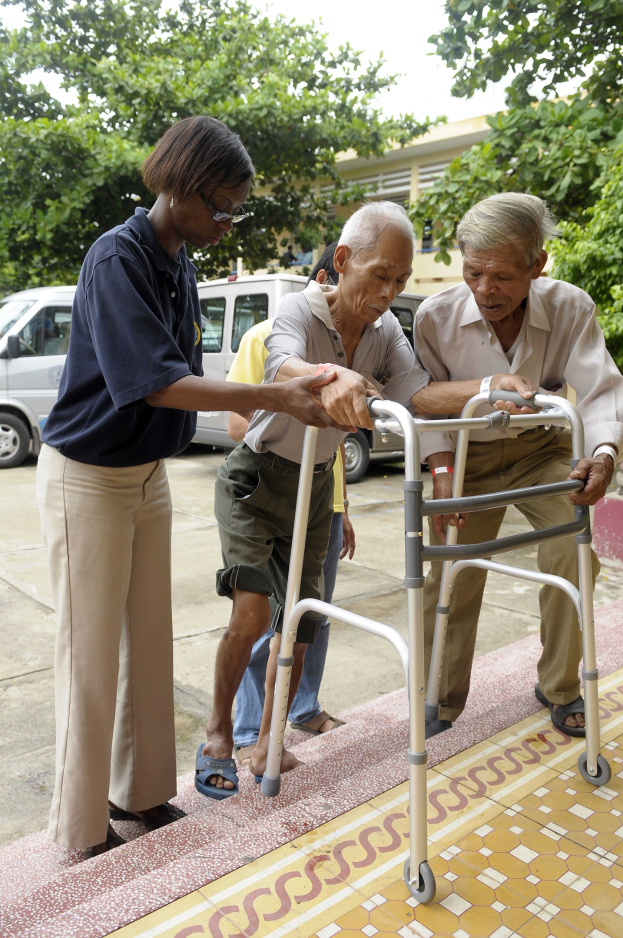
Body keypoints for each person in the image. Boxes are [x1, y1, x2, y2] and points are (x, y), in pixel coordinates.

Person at [36, 115, 338, 859]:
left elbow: (183, 379)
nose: (228, 223)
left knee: (148, 644)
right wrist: (271, 398)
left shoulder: (180, 264)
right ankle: (79, 832)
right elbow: (154, 383)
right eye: (221, 206)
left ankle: (139, 796)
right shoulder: (118, 258)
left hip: (146, 477)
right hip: (88, 481)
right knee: (90, 655)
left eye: (236, 208)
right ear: (179, 187)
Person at [195, 200, 536, 797]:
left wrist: (488, 389)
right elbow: (281, 364)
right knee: (251, 613)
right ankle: (219, 732)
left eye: (401, 280)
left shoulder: (385, 333)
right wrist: (333, 377)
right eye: (380, 275)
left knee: (299, 626)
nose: (389, 291)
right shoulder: (299, 309)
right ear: (345, 260)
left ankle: (268, 740)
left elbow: (418, 394)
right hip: (257, 479)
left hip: (318, 482)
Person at [415, 192, 623, 739]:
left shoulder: (571, 307)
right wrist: (439, 472)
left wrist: (603, 456)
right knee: (451, 572)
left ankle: (559, 687)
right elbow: (423, 400)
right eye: (473, 272)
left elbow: (601, 390)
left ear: (538, 265)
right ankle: (438, 697)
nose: (486, 290)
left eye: (503, 276)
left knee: (573, 552)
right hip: (466, 456)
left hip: (544, 452)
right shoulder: (434, 318)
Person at [227, 243, 354, 771]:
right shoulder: (266, 338)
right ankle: (245, 730)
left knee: (309, 619)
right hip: (274, 492)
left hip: (326, 500)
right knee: (263, 620)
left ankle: (299, 709)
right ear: (328, 277)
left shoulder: (350, 346)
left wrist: (346, 512)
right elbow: (239, 423)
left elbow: (337, 445)